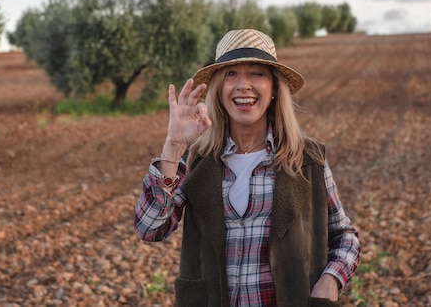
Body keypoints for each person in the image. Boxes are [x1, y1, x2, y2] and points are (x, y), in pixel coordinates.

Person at [134, 29, 360, 306]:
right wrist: (173, 145)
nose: (243, 85)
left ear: (274, 88)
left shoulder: (306, 159)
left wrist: (330, 282)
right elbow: (150, 228)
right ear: (218, 89)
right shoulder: (198, 160)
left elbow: (345, 236)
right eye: (231, 74)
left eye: (256, 73)